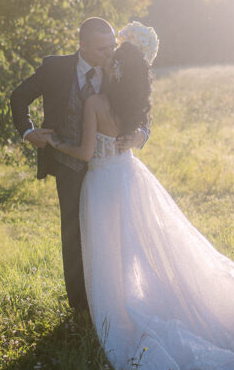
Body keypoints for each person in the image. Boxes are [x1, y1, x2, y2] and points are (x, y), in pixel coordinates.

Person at [38, 28, 234, 370]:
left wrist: (52, 142)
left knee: (108, 251)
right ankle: (134, 304)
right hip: (129, 177)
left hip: (100, 183)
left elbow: (84, 152)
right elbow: (141, 126)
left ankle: (115, 312)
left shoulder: (95, 104)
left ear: (114, 71)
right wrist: (137, 135)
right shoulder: (131, 106)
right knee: (137, 246)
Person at [10, 17, 148, 313]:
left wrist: (140, 135)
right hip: (68, 165)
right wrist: (28, 132)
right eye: (101, 49)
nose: (109, 53)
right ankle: (81, 306)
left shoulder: (117, 68)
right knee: (73, 232)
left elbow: (140, 105)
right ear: (82, 45)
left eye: (112, 46)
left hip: (109, 168)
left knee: (113, 231)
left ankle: (118, 295)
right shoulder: (55, 68)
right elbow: (19, 97)